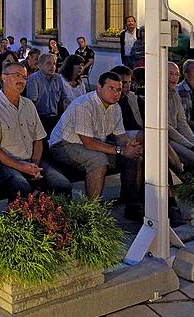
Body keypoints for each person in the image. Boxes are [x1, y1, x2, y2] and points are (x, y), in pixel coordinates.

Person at [49, 72, 145, 220]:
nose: (115, 93)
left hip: (91, 143)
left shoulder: (115, 107)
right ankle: (92, 213)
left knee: (134, 158)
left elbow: (120, 135)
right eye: (111, 88)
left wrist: (129, 144)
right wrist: (120, 150)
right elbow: (88, 142)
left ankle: (132, 205)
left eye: (118, 90)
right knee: (99, 160)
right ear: (99, 87)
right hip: (64, 144)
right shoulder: (83, 104)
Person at [0, 62, 72, 198]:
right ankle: (20, 218)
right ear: (4, 78)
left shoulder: (28, 105)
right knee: (21, 187)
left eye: (24, 77)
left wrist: (34, 164)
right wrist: (21, 167)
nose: (21, 80)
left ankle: (51, 217)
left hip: (29, 160)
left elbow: (38, 138)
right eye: (17, 75)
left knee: (62, 185)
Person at [25, 53, 70, 134]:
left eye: (54, 63)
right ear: (40, 65)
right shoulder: (34, 79)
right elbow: (32, 103)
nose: (52, 66)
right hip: (40, 118)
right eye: (48, 63)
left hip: (55, 117)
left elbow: (63, 98)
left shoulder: (57, 78)